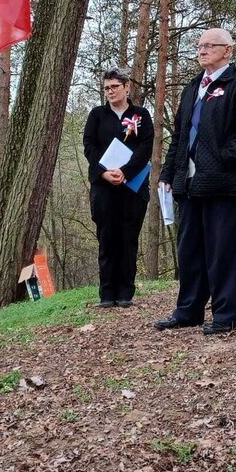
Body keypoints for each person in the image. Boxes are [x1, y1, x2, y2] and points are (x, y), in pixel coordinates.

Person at [155, 28, 236, 335]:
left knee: (225, 253)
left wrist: (221, 159)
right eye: (199, 45)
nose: (202, 50)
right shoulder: (193, 87)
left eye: (209, 46)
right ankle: (188, 311)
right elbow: (179, 136)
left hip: (226, 186)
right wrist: (168, 173)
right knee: (190, 251)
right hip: (190, 186)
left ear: (227, 50)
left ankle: (227, 316)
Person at [82, 68, 155, 308]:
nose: (110, 91)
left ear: (126, 87)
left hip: (132, 186)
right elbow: (89, 146)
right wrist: (103, 171)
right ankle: (107, 293)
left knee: (128, 238)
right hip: (103, 186)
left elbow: (145, 146)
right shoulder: (97, 115)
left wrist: (126, 172)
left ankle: (125, 292)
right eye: (106, 88)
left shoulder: (141, 115)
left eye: (114, 86)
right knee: (107, 238)